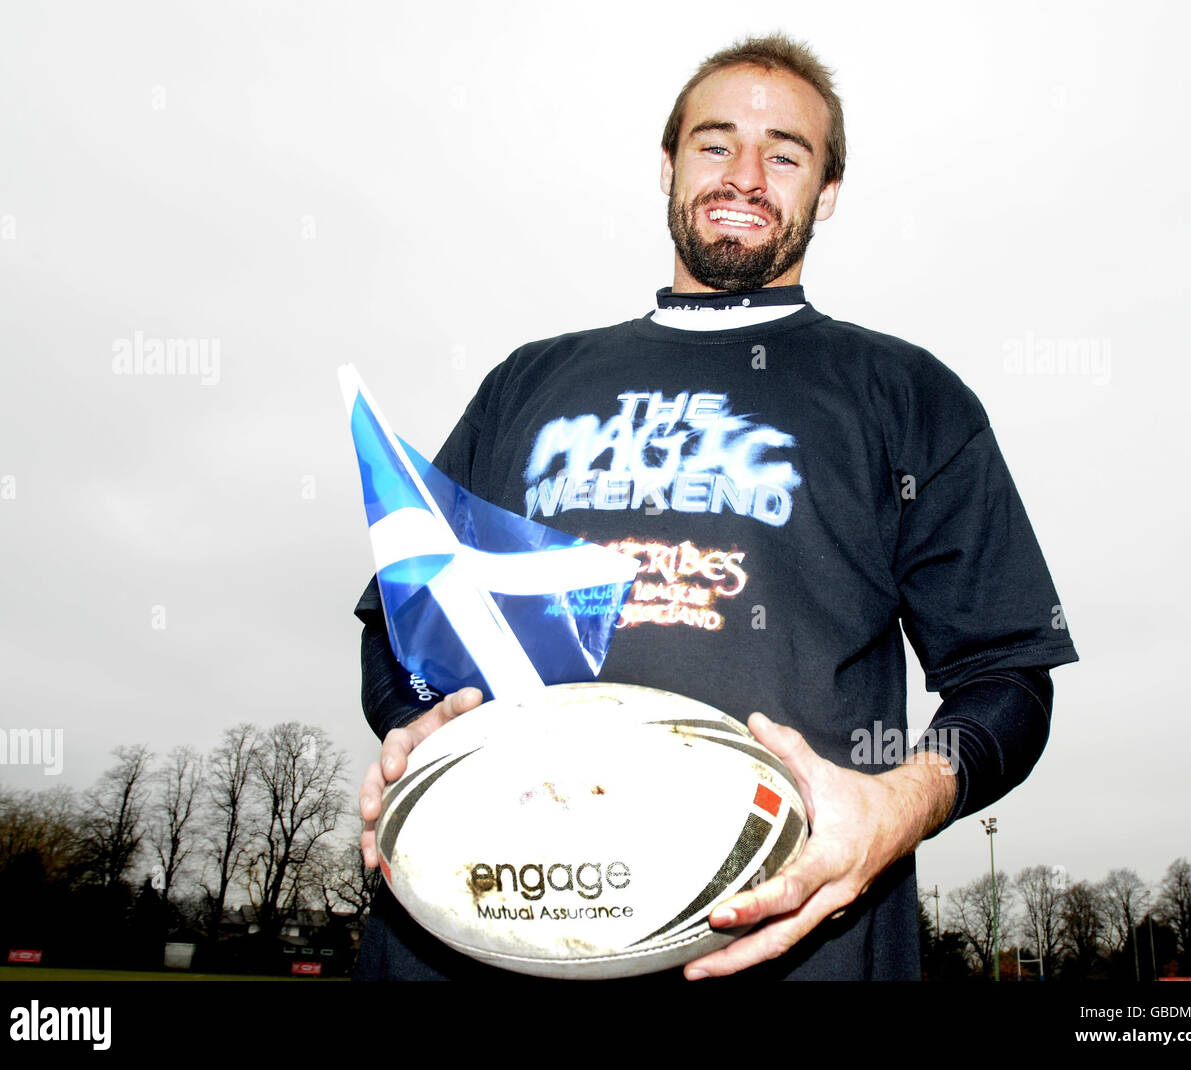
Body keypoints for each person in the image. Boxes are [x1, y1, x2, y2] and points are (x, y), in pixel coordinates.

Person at [352, 33, 1078, 981]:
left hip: (792, 951)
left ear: (827, 192)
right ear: (666, 166)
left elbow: (1009, 676)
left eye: (784, 153)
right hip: (482, 921)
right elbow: (401, 626)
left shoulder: (907, 392)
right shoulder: (527, 379)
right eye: (714, 143)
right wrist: (423, 719)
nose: (744, 174)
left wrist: (897, 806)